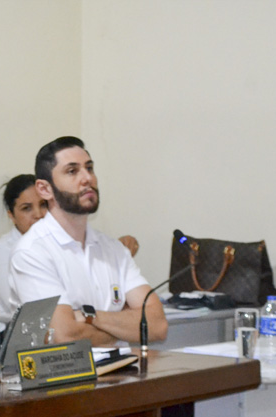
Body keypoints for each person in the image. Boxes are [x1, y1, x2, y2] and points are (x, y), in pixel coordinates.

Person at [10, 136, 166, 346]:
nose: (87, 178)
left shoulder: (114, 249)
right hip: (67, 368)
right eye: (72, 171)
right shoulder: (32, 251)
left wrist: (88, 316)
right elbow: (63, 336)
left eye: (89, 168)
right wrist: (127, 326)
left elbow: (157, 325)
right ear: (45, 189)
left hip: (122, 366)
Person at [0, 174, 139, 326]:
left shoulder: (65, 241)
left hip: (80, 326)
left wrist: (116, 256)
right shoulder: (3, 250)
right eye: (26, 208)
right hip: (23, 334)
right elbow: (33, 312)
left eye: (43, 205)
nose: (38, 214)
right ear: (11, 215)